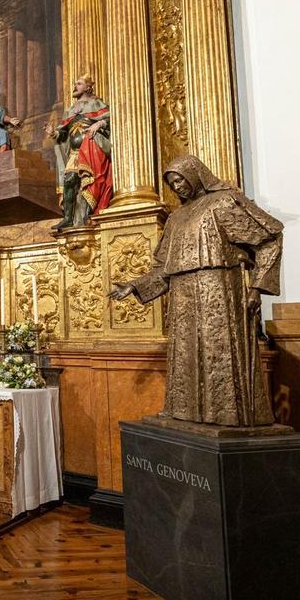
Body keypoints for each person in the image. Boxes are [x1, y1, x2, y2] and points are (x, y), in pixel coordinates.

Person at [108, 155, 283, 426]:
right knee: (184, 352)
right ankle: (185, 411)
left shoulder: (223, 202)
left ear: (195, 174)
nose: (177, 186)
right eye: (172, 183)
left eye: (180, 179)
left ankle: (228, 415)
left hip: (219, 287)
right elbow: (164, 269)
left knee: (218, 349)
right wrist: (134, 284)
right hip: (183, 295)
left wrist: (257, 288)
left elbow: (269, 240)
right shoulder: (176, 218)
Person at [45, 75, 113, 230]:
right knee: (69, 180)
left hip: (91, 148)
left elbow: (112, 116)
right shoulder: (70, 110)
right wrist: (53, 133)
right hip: (75, 152)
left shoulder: (96, 103)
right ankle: (68, 218)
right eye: (75, 84)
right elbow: (64, 133)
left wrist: (99, 124)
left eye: (79, 84)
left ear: (88, 87)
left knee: (89, 181)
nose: (75, 86)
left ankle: (87, 216)